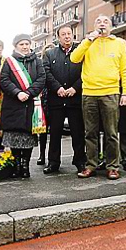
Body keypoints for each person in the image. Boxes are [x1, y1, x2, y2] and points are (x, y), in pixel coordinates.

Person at [71, 14, 126, 180]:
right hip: (89, 93)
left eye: (105, 21)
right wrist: (88, 40)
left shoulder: (118, 43)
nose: (102, 24)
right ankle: (91, 165)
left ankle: (112, 166)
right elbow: (74, 58)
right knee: (90, 133)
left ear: (111, 26)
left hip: (111, 93)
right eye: (98, 21)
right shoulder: (88, 42)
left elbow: (125, 70)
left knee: (111, 133)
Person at [0, 34, 46, 178]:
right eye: (22, 44)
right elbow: (4, 79)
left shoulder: (37, 61)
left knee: (28, 137)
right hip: (13, 103)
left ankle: (25, 166)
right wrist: (17, 92)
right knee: (14, 136)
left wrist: (29, 93)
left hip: (30, 104)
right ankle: (16, 165)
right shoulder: (9, 62)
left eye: (27, 44)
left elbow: (41, 78)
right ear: (15, 46)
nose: (25, 47)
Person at [43, 25, 85, 174]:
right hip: (57, 100)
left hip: (75, 99)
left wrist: (75, 88)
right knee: (54, 133)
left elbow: (86, 72)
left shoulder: (81, 52)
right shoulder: (49, 54)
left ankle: (80, 161)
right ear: (58, 37)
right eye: (63, 34)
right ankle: (53, 162)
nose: (67, 36)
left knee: (78, 133)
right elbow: (46, 73)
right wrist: (57, 88)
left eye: (69, 34)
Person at [37, 43, 55, 166]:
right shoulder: (41, 66)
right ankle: (42, 155)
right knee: (42, 131)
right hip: (43, 99)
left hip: (55, 98)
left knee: (54, 131)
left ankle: (52, 157)